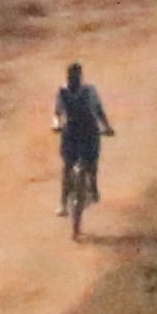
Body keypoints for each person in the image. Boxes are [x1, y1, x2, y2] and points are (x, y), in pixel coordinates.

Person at [55, 61, 114, 233]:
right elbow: (57, 113)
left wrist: (106, 126)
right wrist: (56, 124)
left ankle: (93, 187)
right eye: (70, 77)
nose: (72, 80)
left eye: (75, 76)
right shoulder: (62, 92)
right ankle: (63, 201)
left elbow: (98, 110)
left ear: (80, 77)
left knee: (91, 163)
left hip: (88, 131)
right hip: (72, 132)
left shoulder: (89, 91)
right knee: (67, 166)